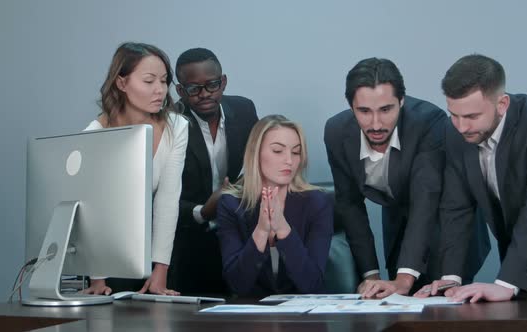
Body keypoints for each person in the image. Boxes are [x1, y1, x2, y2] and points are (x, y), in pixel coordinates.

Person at [324, 57, 489, 299]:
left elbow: (426, 197)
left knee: (441, 311)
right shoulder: (337, 131)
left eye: (386, 109)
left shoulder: (428, 122)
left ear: (401, 101)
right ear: (351, 107)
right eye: (364, 111)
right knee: (396, 308)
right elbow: (350, 206)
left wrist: (403, 280)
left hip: (445, 231)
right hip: (400, 232)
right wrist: (370, 276)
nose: (376, 123)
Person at [416, 54, 527, 302]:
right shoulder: (454, 131)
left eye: (471, 117)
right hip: (518, 272)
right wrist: (451, 277)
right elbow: (456, 208)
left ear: (502, 104)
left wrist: (506, 282)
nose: (461, 127)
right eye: (454, 114)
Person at [82, 42, 189, 295]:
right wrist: (97, 278)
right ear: (121, 83)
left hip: (156, 249)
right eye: (149, 81)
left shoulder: (177, 126)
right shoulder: (95, 134)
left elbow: (167, 201)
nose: (160, 90)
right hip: (106, 255)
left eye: (163, 81)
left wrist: (160, 272)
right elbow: (92, 211)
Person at [167, 48, 258, 294]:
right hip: (189, 238)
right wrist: (202, 211)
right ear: (180, 90)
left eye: (212, 85)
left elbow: (257, 162)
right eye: (194, 89)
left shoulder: (245, 110)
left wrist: (240, 186)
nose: (205, 94)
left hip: (238, 229)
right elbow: (160, 196)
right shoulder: (168, 124)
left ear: (224, 82)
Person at [216, 115, 333, 296]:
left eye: (296, 152)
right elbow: (237, 285)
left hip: (304, 318)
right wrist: (261, 231)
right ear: (255, 153)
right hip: (251, 318)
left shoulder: (317, 203)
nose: (289, 160)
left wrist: (283, 229)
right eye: (278, 151)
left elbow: (313, 285)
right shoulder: (231, 205)